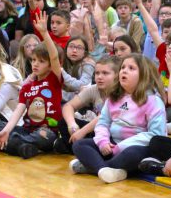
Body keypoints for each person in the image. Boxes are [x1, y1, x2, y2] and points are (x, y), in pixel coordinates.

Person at [70, 53, 166, 183]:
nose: (124, 70)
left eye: (131, 68)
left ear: (144, 75)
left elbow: (156, 135)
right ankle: (106, 169)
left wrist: (121, 147)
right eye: (123, 67)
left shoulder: (153, 101)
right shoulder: (114, 97)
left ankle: (94, 166)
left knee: (132, 154)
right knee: (79, 145)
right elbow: (103, 123)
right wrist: (103, 141)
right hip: (112, 144)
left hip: (136, 146)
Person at [0, 13, 64, 159]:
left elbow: (54, 56)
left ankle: (11, 143)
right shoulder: (27, 86)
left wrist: (44, 33)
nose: (35, 64)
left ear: (49, 65)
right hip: (27, 130)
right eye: (33, 60)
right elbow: (19, 110)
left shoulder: (54, 79)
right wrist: (6, 130)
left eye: (41, 61)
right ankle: (20, 145)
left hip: (46, 131)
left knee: (43, 136)